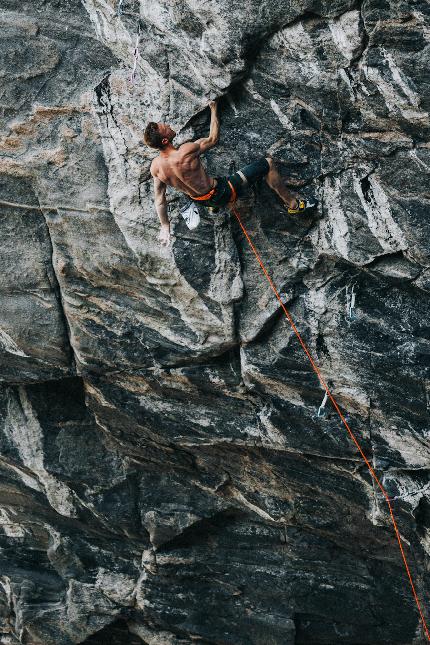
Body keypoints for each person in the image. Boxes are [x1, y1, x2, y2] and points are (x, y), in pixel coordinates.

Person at [144, 99, 315, 246]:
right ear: (165, 140)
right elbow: (213, 139)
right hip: (223, 191)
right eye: (163, 127)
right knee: (268, 164)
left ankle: (213, 207)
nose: (166, 124)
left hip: (201, 200)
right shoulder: (185, 151)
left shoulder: (156, 167)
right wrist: (213, 109)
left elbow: (159, 200)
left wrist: (165, 226)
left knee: (193, 186)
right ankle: (293, 204)